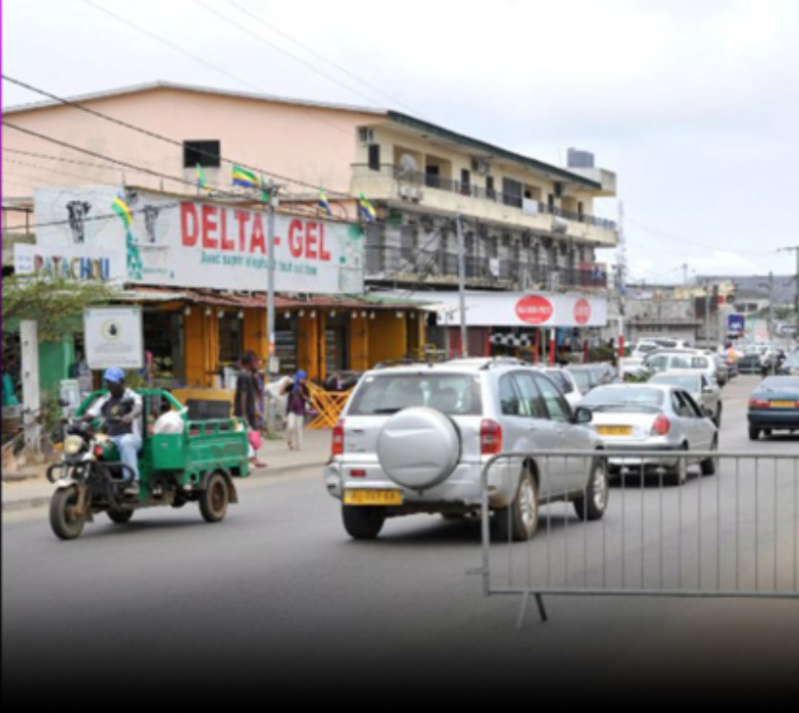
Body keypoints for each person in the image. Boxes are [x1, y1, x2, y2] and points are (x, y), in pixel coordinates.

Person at [82, 367, 142, 491]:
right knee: (90, 442)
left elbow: (138, 407)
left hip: (130, 436)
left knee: (126, 443)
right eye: (108, 383)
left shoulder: (132, 395)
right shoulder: (105, 398)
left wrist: (130, 416)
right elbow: (92, 413)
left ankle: (132, 481)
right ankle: (90, 478)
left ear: (121, 383)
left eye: (112, 383)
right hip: (110, 438)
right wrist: (77, 420)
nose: (109, 386)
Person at [234, 351, 267, 469]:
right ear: (249, 364)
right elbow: (243, 395)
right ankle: (252, 459)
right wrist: (244, 415)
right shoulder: (244, 376)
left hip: (251, 411)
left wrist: (257, 410)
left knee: (252, 435)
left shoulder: (251, 376)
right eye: (255, 362)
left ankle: (253, 458)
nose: (258, 364)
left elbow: (254, 395)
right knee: (246, 436)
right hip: (245, 412)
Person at [282, 370, 310, 451]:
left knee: (299, 428)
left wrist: (302, 393)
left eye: (304, 379)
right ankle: (289, 441)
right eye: (301, 378)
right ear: (297, 378)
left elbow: (308, 399)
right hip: (291, 409)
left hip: (300, 410)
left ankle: (299, 445)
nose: (303, 380)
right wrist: (285, 384)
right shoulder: (292, 386)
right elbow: (282, 392)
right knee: (291, 426)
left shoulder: (305, 388)